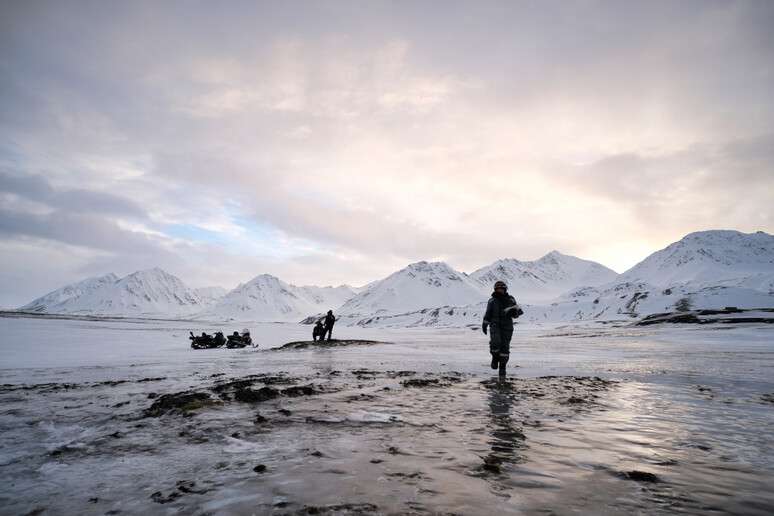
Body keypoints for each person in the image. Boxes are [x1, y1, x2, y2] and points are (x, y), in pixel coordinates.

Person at [482, 281, 522, 376]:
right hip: (495, 325)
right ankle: (495, 358)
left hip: (507, 326)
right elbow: (488, 313)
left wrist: (514, 312)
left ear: (505, 289)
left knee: (505, 347)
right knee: (495, 343)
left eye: (501, 288)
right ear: (495, 289)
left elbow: (517, 312)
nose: (500, 290)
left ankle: (502, 368)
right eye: (498, 289)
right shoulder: (492, 300)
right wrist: (485, 323)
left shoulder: (511, 299)